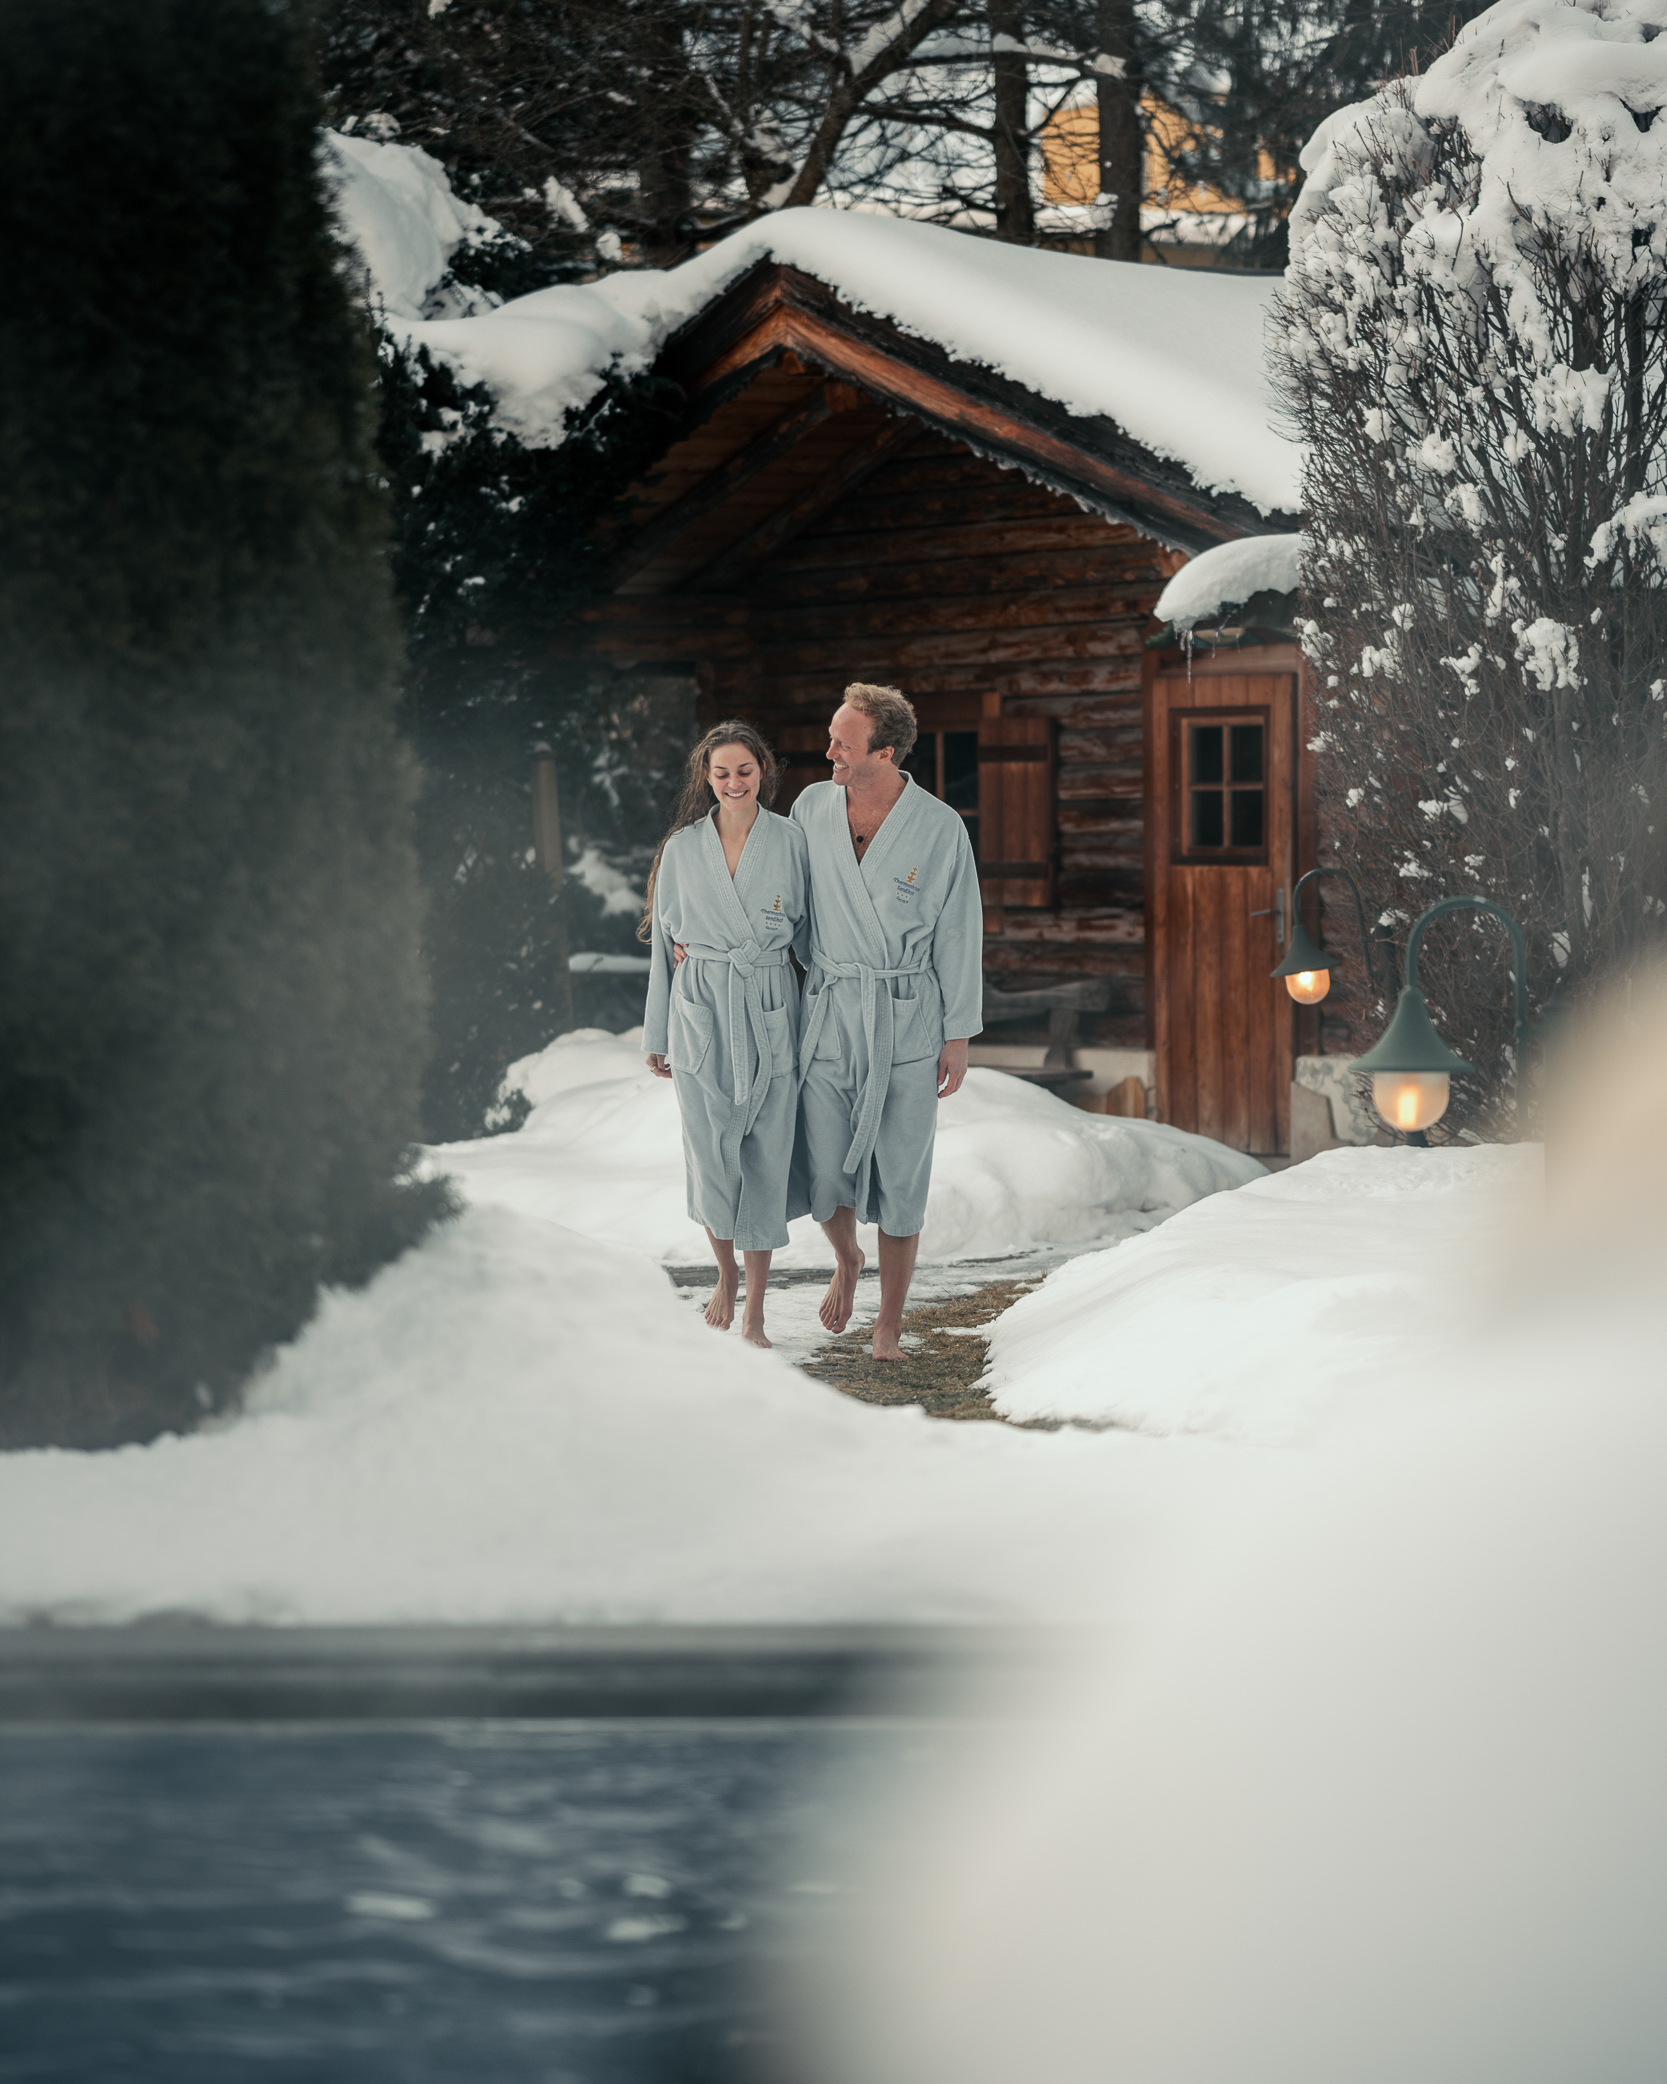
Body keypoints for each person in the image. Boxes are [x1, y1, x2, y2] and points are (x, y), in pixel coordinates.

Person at [791, 683, 982, 1361]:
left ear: (886, 751)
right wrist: (690, 933)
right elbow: (777, 901)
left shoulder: (937, 827)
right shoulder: (810, 807)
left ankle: (889, 1324)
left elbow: (957, 933)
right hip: (829, 1010)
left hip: (904, 1017)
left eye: (843, 743)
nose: (829, 752)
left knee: (902, 1175)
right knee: (821, 1171)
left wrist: (955, 1035)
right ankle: (846, 1259)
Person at [641, 722, 809, 1348]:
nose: (734, 782)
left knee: (767, 1152)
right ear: (705, 778)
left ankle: (757, 1307)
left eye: (744, 770)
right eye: (721, 773)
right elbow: (662, 947)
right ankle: (725, 1274)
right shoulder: (681, 849)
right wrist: (656, 1031)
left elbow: (813, 940)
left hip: (769, 1003)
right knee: (710, 1155)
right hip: (701, 1007)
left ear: (763, 770)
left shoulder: (791, 841)